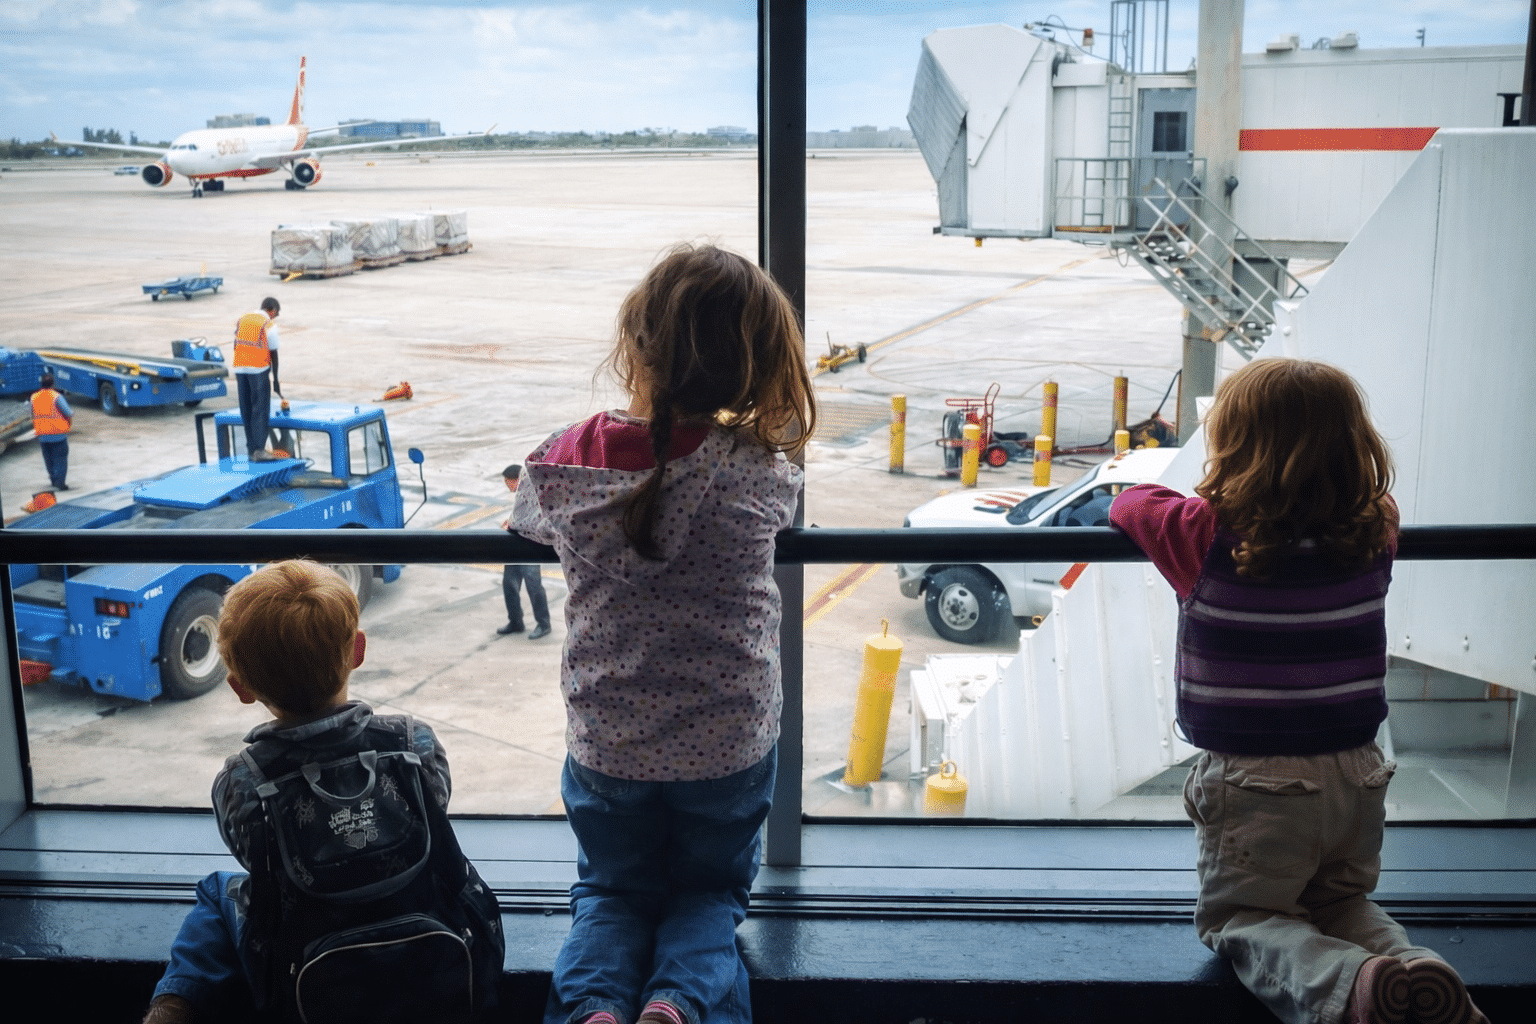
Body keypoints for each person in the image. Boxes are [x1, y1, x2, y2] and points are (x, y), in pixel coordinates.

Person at [1109, 358, 1486, 1024]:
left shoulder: (1204, 535)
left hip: (1255, 782)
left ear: (1234, 444)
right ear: (1354, 444)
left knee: (1245, 917)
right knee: (1342, 905)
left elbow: (1130, 504)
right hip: (1358, 772)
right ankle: (1410, 975)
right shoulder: (1378, 526)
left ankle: (1353, 992)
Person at [511, 243, 815, 1024]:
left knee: (610, 894)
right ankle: (676, 1005)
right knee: (710, 894)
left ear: (634, 348)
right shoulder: (758, 471)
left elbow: (524, 517)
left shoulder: (570, 456)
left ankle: (596, 1011)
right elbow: (779, 487)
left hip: (610, 736)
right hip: (726, 742)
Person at [140, 561, 499, 1024]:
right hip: (432, 938)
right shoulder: (416, 745)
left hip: (308, 964)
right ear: (358, 650)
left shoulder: (243, 782)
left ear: (240, 687)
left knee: (217, 892)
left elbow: (256, 862)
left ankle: (175, 1005)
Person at [498, 463, 552, 639]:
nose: (507, 485)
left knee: (533, 586)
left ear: (516, 480)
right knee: (509, 585)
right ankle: (515, 622)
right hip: (514, 546)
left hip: (530, 545)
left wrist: (512, 523)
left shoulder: (532, 491)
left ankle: (543, 624)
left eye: (508, 482)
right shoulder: (522, 493)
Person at [232, 297, 282, 462]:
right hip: (258, 370)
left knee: (246, 409)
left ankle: (251, 449)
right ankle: (259, 450)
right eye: (276, 314)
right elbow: (274, 354)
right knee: (260, 409)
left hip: (240, 369)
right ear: (272, 310)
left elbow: (236, 343)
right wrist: (275, 380)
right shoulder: (268, 325)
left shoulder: (243, 319)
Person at [30, 371, 72, 490]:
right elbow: (68, 412)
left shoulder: (34, 397)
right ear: (53, 384)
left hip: (42, 435)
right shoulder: (56, 396)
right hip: (58, 434)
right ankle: (61, 483)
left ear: (41, 384)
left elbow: (31, 414)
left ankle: (54, 480)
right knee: (60, 459)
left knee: (49, 459)